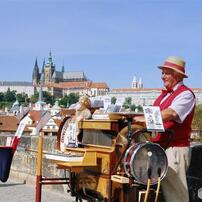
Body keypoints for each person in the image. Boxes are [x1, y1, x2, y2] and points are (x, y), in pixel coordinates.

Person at [134, 56, 196, 202]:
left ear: (178, 75)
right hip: (160, 149)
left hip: (174, 150)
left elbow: (171, 113)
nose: (162, 76)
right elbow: (154, 114)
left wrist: (144, 120)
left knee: (176, 194)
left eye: (166, 72)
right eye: (162, 73)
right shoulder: (163, 95)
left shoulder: (186, 94)